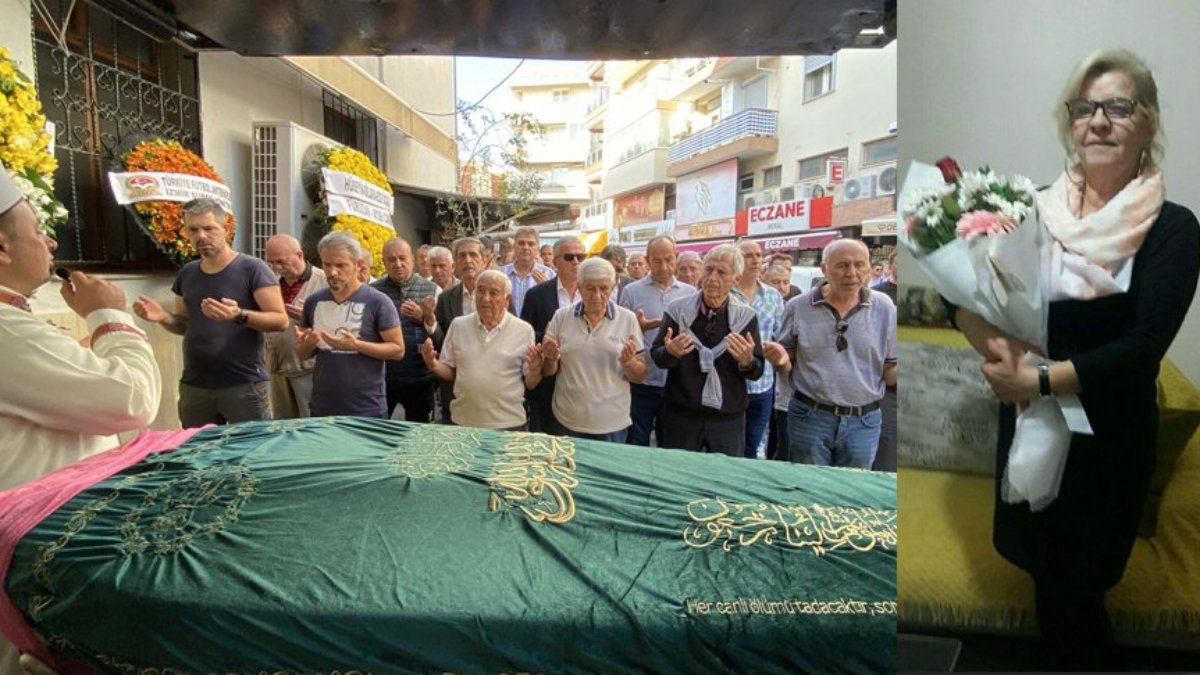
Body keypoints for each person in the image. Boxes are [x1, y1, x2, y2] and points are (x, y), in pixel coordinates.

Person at [951, 50, 1199, 670]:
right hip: (1033, 425)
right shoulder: (1031, 209)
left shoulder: (1173, 229)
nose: (1099, 121)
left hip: (1107, 440)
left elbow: (1143, 348)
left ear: (1148, 124)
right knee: (1046, 582)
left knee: (1079, 593)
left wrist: (1035, 379)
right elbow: (963, 300)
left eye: (1120, 107)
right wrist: (996, 348)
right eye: (1085, 108)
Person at [0, 164, 162, 672]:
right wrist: (109, 314)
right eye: (38, 232)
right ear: (2, 250)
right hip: (32, 546)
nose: (50, 244)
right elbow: (131, 399)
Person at [134, 198, 288, 426]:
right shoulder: (188, 273)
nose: (201, 236)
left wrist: (238, 315)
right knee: (198, 454)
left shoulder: (252, 268)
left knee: (249, 453)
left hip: (244, 386)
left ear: (225, 228)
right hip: (195, 387)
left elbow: (280, 320)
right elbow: (185, 325)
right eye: (193, 229)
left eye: (209, 228)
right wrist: (163, 317)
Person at [776, 239, 896, 468]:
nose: (852, 273)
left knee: (851, 494)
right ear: (824, 269)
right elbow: (786, 361)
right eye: (842, 265)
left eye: (860, 265)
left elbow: (890, 370)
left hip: (864, 422)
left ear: (869, 268)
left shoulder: (884, 307)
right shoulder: (798, 307)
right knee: (808, 491)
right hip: (810, 418)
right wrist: (780, 361)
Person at [651, 245, 764, 457]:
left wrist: (747, 361)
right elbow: (657, 357)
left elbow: (757, 370)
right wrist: (671, 353)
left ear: (736, 280)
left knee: (724, 480)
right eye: (708, 270)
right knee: (677, 477)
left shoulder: (746, 317)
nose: (712, 278)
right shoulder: (678, 310)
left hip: (727, 419)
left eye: (721, 272)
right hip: (681, 415)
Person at [296, 232, 404, 418]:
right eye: (327, 264)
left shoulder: (378, 302)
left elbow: (397, 350)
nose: (332, 272)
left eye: (340, 265)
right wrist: (306, 345)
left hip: (366, 410)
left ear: (358, 265)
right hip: (322, 408)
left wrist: (357, 345)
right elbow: (303, 353)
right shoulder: (313, 302)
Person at [421, 270, 542, 430]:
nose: (485, 298)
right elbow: (451, 371)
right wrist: (433, 364)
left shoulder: (523, 330)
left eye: (494, 293)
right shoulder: (458, 325)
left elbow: (530, 383)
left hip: (509, 423)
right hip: (463, 421)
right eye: (481, 291)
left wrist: (535, 370)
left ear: (507, 300)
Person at [542, 258, 645, 442]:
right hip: (567, 420)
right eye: (590, 288)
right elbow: (548, 370)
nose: (597, 295)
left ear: (613, 288)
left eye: (604, 288)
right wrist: (550, 358)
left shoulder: (627, 319)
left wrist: (628, 361)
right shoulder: (561, 316)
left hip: (612, 423)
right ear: (580, 287)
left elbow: (639, 375)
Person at [618, 235, 696, 447]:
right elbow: (620, 333)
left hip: (675, 382)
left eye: (669, 259)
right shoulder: (631, 292)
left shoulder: (690, 293)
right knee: (637, 440)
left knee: (671, 443)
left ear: (676, 258)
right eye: (657, 261)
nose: (663, 266)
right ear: (647, 260)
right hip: (641, 381)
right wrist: (638, 329)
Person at [520, 235, 584, 433]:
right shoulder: (537, 295)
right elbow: (525, 334)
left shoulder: (593, 293)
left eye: (580, 257)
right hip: (548, 383)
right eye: (569, 257)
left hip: (583, 380)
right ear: (555, 261)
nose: (575, 262)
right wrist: (546, 336)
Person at [372, 237, 439, 422]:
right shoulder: (373, 292)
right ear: (384, 262)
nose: (398, 264)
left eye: (402, 258)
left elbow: (441, 336)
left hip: (420, 379)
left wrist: (424, 318)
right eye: (391, 260)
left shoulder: (433, 290)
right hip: (383, 379)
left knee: (418, 436)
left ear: (412, 259)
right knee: (378, 433)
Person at [262, 233, 328, 418]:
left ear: (299, 255)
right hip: (277, 369)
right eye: (271, 263)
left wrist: (307, 318)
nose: (276, 268)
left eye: (281, 262)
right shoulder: (271, 285)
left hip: (309, 369)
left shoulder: (323, 281)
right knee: (283, 425)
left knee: (310, 422)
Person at [733, 239, 786, 459]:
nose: (755, 260)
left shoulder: (772, 296)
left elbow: (781, 336)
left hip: (763, 386)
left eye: (758, 255)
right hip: (732, 385)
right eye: (748, 255)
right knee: (730, 446)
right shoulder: (726, 294)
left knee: (752, 446)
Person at [427, 237, 486, 423]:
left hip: (490, 381)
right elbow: (442, 342)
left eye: (473, 255)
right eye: (462, 256)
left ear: (484, 260)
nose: (468, 260)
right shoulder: (446, 298)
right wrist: (430, 321)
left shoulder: (498, 293)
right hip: (456, 380)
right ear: (456, 263)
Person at [500, 226, 555, 316]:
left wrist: (547, 290)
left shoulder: (549, 275)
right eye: (521, 243)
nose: (525, 247)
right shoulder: (501, 274)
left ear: (537, 249)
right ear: (514, 246)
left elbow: (555, 310)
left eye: (531, 244)